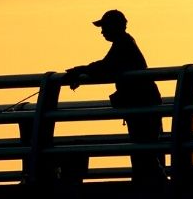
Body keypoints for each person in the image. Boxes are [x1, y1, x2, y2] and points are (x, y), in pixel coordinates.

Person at [65, 9, 166, 186]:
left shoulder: (123, 44)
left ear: (115, 27)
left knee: (143, 147)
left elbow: (106, 66)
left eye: (104, 27)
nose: (102, 31)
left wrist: (80, 70)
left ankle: (151, 184)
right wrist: (82, 71)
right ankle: (149, 182)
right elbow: (107, 67)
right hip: (143, 101)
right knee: (144, 148)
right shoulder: (124, 43)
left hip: (142, 103)